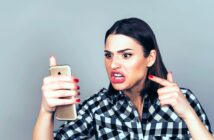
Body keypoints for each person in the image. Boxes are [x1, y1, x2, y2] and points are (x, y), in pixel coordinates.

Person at [33, 17, 214, 139]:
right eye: (108, 55)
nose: (113, 65)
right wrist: (46, 111)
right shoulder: (98, 108)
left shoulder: (183, 100)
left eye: (126, 55)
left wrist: (188, 114)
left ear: (150, 58)